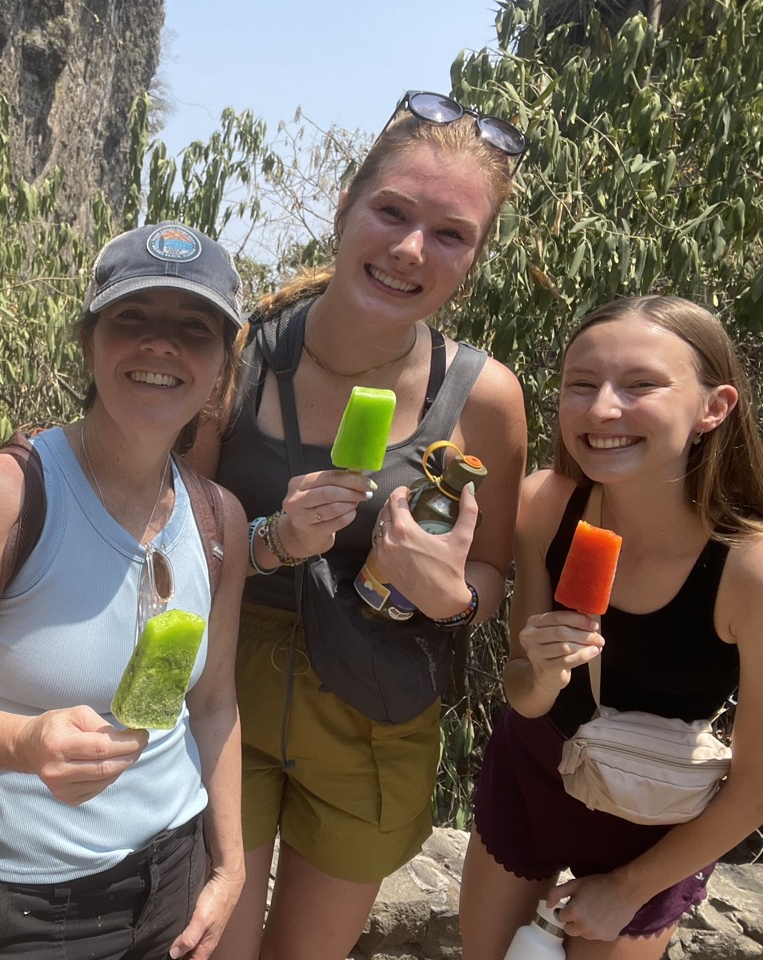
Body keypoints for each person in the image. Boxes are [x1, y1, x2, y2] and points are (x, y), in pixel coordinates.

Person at [187, 91, 529, 959]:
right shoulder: (239, 356)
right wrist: (270, 540)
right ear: (346, 208)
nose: (411, 249)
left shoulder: (484, 397)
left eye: (450, 234)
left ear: (474, 259)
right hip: (226, 699)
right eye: (392, 212)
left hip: (377, 715)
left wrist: (449, 593)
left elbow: (490, 581)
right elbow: (167, 540)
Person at [0, 221, 248, 960]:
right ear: (90, 342)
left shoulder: (221, 519)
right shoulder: (14, 494)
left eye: (194, 329)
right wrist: (22, 743)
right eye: (133, 319)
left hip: (175, 877)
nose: (162, 345)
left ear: (223, 363)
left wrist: (230, 867)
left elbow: (214, 703)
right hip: (21, 902)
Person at [459, 295, 763, 958]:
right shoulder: (545, 506)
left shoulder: (750, 572)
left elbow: (756, 786)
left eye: (640, 385)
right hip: (534, 773)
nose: (601, 410)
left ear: (714, 408)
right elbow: (522, 694)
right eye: (581, 385)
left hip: (651, 819)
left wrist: (629, 888)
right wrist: (540, 671)